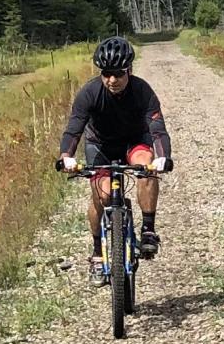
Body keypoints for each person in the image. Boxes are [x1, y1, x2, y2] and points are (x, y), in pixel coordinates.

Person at [57, 37, 171, 285]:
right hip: (100, 145)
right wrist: (66, 157)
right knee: (103, 196)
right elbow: (73, 130)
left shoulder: (142, 91)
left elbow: (157, 129)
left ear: (128, 70)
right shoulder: (89, 93)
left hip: (134, 141)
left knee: (146, 166)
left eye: (118, 74)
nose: (112, 80)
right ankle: (98, 252)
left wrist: (163, 157)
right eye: (106, 74)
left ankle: (148, 230)